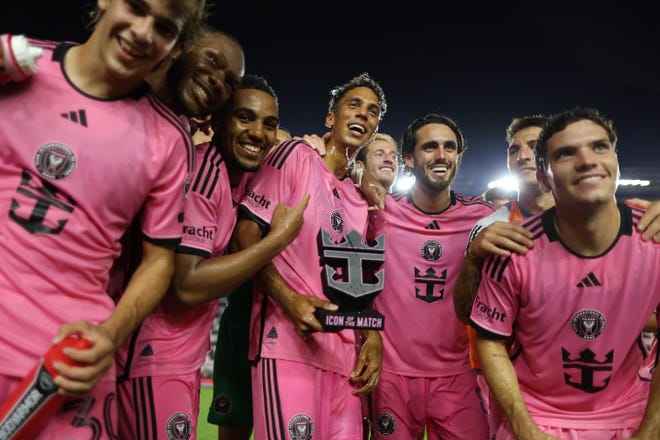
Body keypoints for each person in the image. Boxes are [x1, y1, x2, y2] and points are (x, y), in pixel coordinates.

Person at [0, 0, 205, 438]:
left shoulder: (169, 139)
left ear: (174, 46)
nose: (143, 32)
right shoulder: (18, 65)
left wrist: (110, 336)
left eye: (165, 27)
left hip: (69, 367)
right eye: (135, 7)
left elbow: (158, 261)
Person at [470, 107, 660, 439]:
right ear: (544, 179)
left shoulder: (654, 240)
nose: (587, 160)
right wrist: (523, 428)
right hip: (539, 415)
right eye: (566, 153)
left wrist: (650, 430)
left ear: (616, 161)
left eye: (599, 146)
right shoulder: (512, 246)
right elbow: (490, 340)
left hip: (630, 411)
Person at [111, 27, 248, 439]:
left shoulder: (179, 142)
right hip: (141, 349)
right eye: (211, 61)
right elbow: (184, 283)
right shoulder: (114, 99)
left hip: (122, 338)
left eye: (230, 82)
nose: (218, 81)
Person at [234, 72, 386, 439]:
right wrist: (287, 299)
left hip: (344, 360)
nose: (363, 115)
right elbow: (246, 232)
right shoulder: (296, 157)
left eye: (373, 112)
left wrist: (372, 337)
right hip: (286, 346)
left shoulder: (361, 199)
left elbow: (357, 283)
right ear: (330, 119)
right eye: (354, 105)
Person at [367, 113, 492, 439]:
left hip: (456, 375)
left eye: (450, 148)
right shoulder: (380, 211)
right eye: (430, 147)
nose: (441, 155)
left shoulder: (482, 219)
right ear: (408, 157)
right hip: (391, 377)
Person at [206, 124, 293, 440]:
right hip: (241, 324)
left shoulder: (302, 196)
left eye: (285, 151)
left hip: (289, 330)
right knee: (234, 426)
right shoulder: (235, 188)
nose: (277, 158)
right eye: (273, 150)